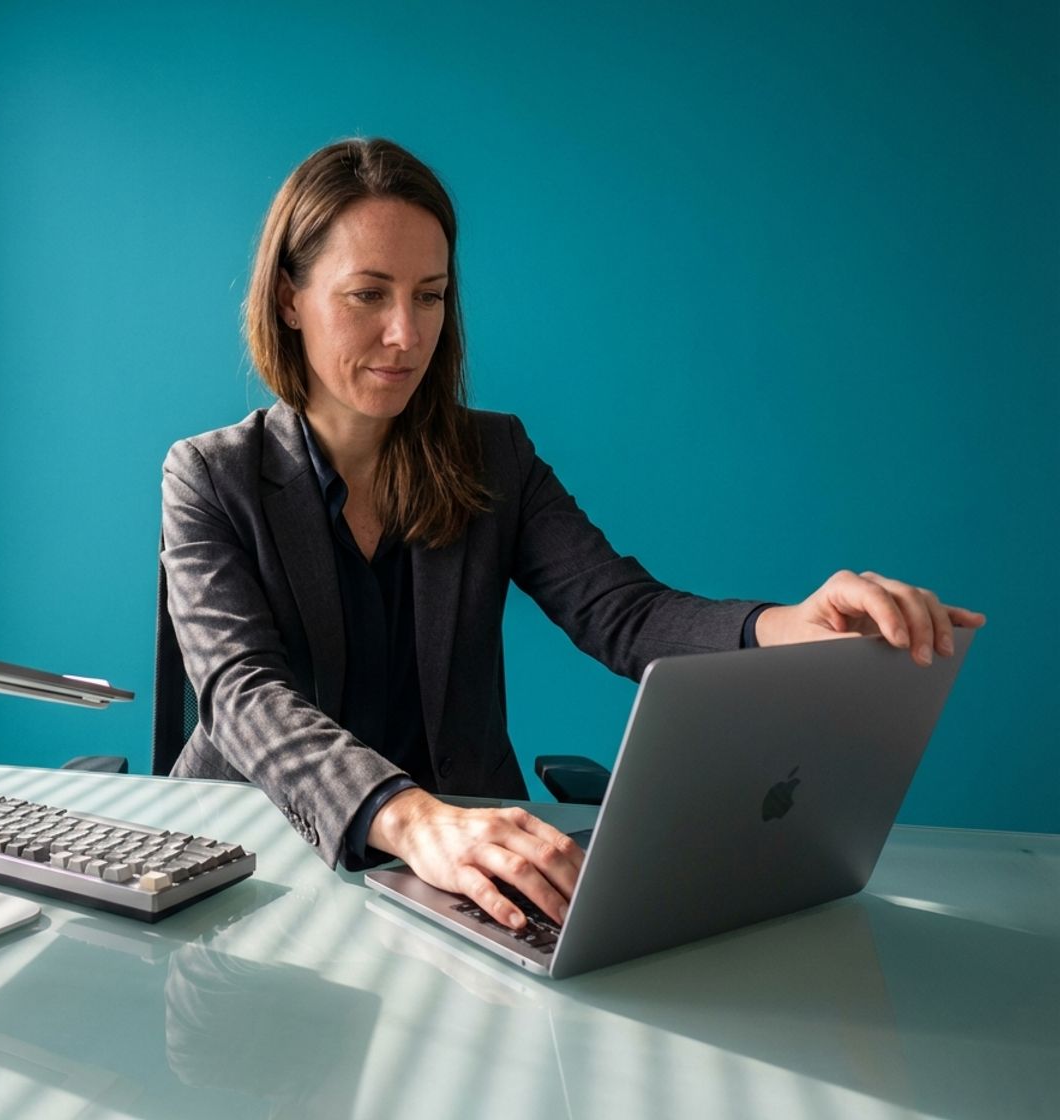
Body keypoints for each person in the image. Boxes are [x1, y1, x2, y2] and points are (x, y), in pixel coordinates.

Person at [160, 138, 985, 934]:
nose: (407, 334)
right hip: (253, 868)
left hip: (472, 873)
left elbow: (622, 612)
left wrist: (790, 627)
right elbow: (244, 694)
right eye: (368, 294)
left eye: (431, 294)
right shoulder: (209, 475)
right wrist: (411, 820)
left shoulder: (494, 456)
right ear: (288, 300)